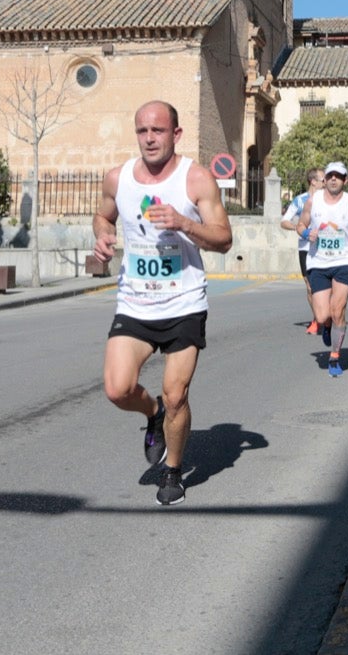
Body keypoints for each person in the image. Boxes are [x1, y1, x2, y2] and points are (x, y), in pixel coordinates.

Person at [93, 100, 232, 507]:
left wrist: (184, 223)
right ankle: (152, 414)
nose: (150, 138)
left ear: (176, 134)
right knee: (117, 389)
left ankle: (172, 470)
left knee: (177, 395)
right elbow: (102, 217)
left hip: (184, 303)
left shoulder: (196, 180)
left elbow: (224, 239)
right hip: (135, 304)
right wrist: (101, 236)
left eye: (158, 130)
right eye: (142, 131)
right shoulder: (118, 179)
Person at [299, 160, 348, 377]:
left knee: (338, 309)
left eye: (338, 176)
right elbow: (300, 225)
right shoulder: (313, 201)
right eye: (330, 175)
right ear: (325, 179)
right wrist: (305, 234)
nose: (333, 179)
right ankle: (328, 326)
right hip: (318, 262)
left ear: (345, 180)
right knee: (322, 316)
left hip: (344, 261)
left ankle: (335, 356)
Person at [281, 168, 325, 334]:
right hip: (305, 248)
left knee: (325, 285)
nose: (325, 182)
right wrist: (298, 227)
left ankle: (327, 316)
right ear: (313, 181)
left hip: (324, 247)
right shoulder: (300, 201)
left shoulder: (328, 200)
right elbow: (284, 221)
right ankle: (317, 319)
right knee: (309, 286)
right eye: (322, 179)